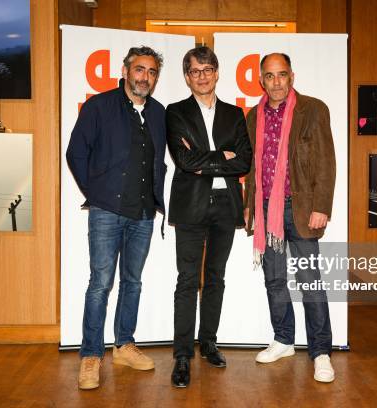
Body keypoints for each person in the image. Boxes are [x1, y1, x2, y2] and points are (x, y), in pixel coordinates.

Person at [66, 46, 167, 390]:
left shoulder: (158, 113)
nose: (145, 77)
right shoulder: (99, 106)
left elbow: (158, 161)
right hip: (106, 211)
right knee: (100, 284)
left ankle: (124, 345)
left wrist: (157, 200)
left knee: (133, 282)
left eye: (152, 72)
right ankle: (90, 355)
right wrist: (96, 195)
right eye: (139, 70)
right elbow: (76, 152)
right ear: (125, 71)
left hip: (142, 214)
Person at [243, 53, 337, 383]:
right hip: (267, 210)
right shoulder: (253, 115)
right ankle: (284, 339)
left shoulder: (312, 109)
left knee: (309, 281)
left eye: (282, 75)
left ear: (292, 76)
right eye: (270, 76)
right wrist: (250, 205)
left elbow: (326, 161)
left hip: (300, 208)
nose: (277, 82)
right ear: (261, 80)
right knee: (274, 279)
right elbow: (254, 166)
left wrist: (321, 206)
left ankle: (321, 350)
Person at [166, 46, 252, 388]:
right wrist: (223, 156)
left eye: (207, 69)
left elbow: (243, 161)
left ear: (217, 73)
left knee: (215, 276)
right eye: (195, 71)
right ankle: (182, 355)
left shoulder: (235, 114)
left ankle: (209, 342)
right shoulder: (175, 113)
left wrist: (207, 159)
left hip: (225, 204)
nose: (202, 76)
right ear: (187, 77)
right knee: (187, 280)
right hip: (190, 205)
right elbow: (185, 162)